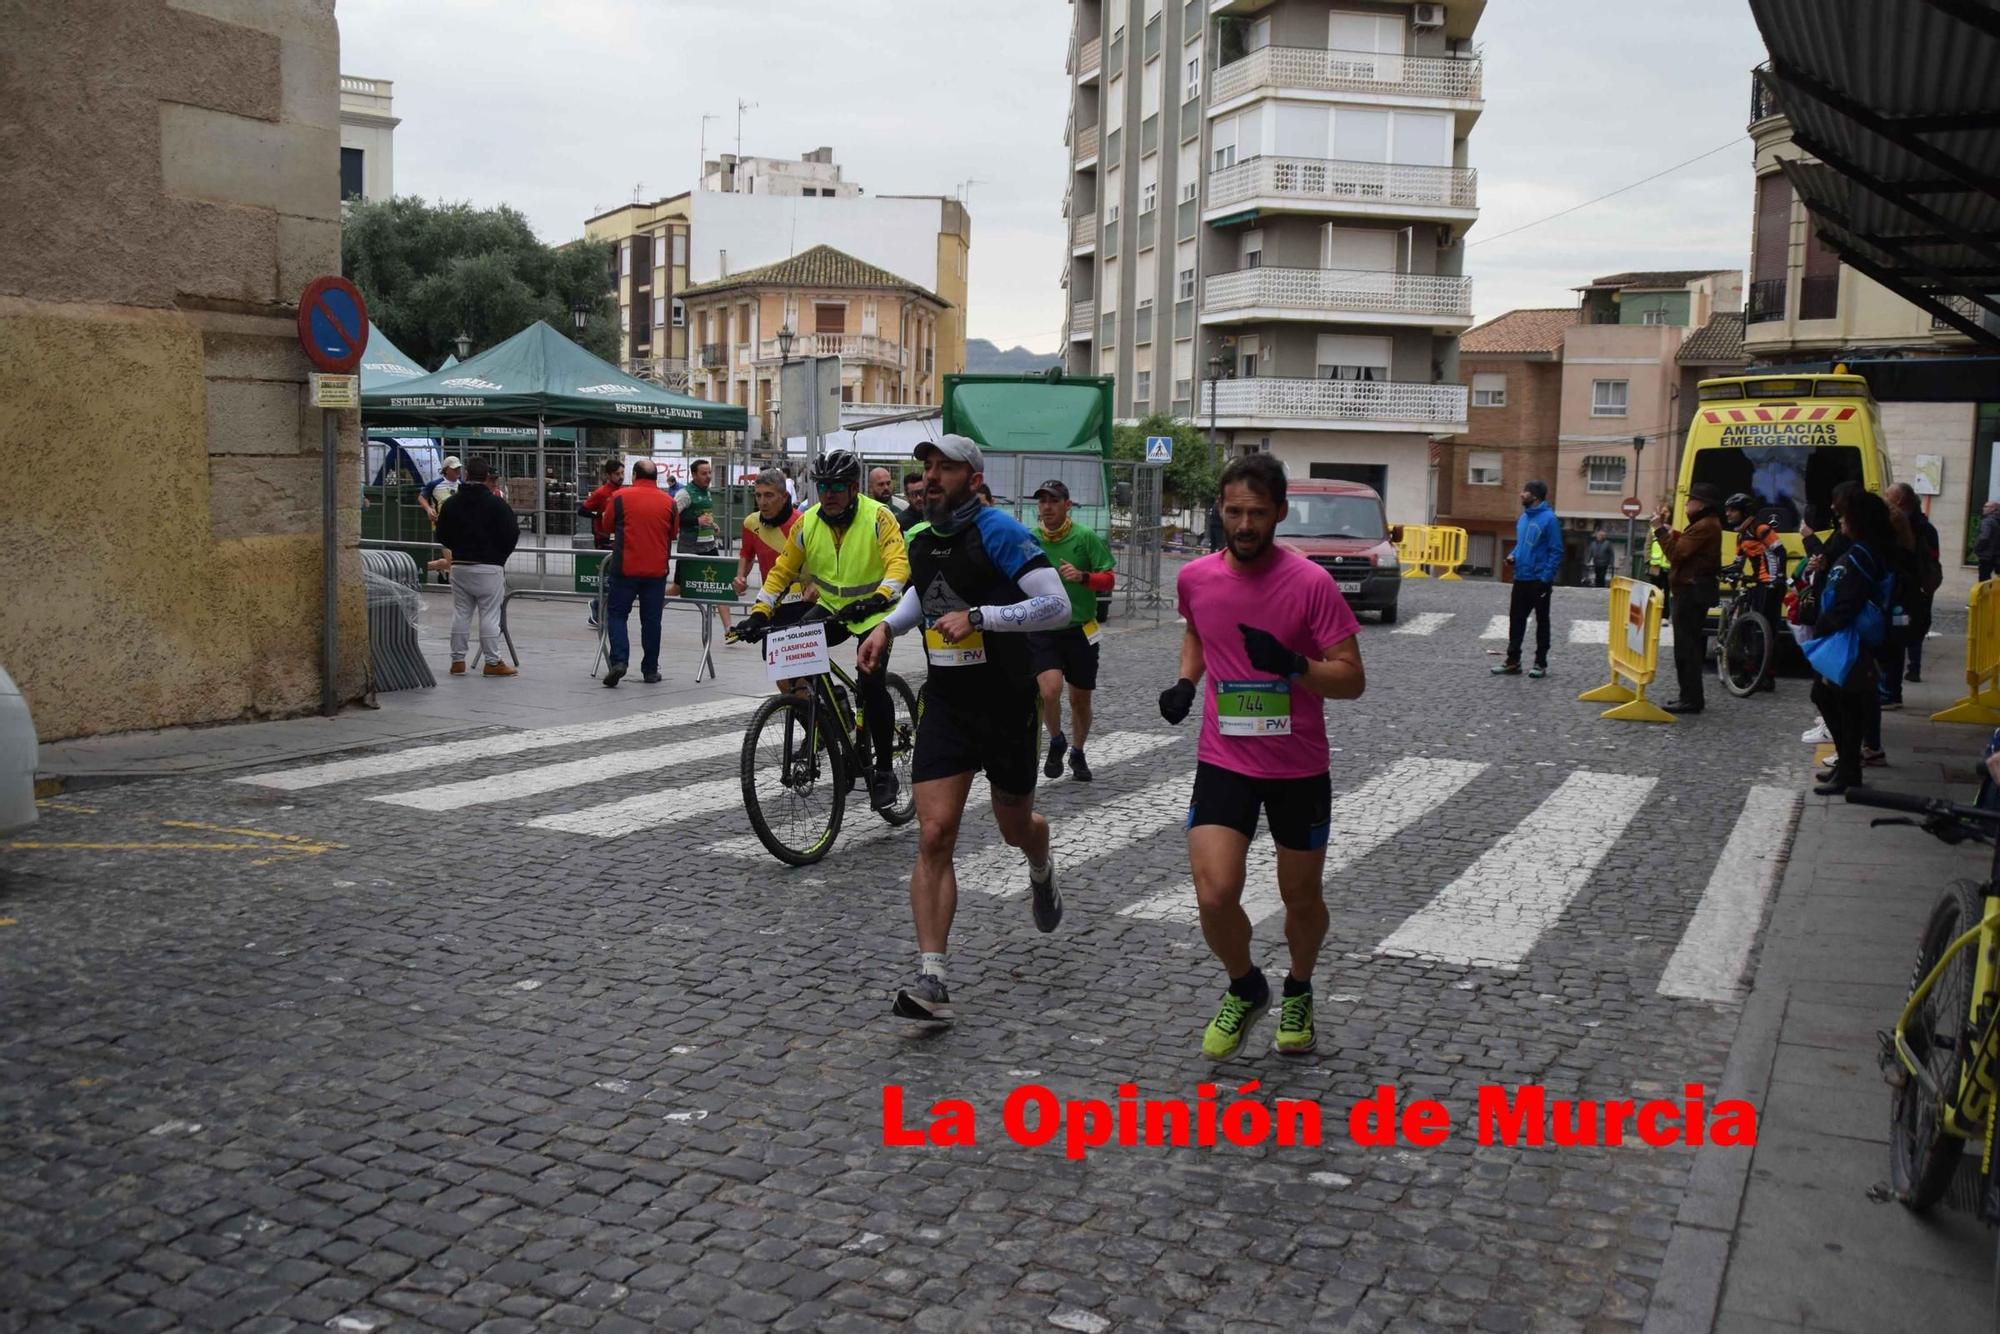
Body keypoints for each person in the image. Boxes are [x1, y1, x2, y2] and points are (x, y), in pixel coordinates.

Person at [857, 434, 1074, 1024]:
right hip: (947, 707)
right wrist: (886, 628)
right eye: (926, 466)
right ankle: (933, 976)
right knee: (934, 835)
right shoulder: (921, 538)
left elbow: (1057, 606)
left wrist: (982, 617)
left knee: (1014, 828)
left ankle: (1041, 862)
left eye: (945, 468)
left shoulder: (1000, 533)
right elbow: (918, 598)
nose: (930, 477)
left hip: (1006, 707)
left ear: (973, 480)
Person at [1158, 454, 1365, 1060]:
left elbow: (1352, 679)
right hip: (1225, 759)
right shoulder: (1195, 577)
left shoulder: (1310, 584)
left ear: (1279, 514)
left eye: (1256, 513)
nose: (1243, 524)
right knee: (1215, 893)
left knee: (1300, 896)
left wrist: (1295, 665)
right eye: (1234, 511)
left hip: (1298, 768)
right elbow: (1199, 628)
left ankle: (1298, 988)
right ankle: (1246, 986)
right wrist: (1187, 683)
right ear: (1219, 510)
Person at [741, 449, 909, 812]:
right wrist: (759, 612)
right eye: (822, 486)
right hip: (832, 607)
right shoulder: (808, 522)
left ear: (852, 487)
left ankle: (883, 772)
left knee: (871, 679)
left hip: (874, 611)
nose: (828, 493)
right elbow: (782, 571)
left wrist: (880, 597)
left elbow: (898, 565)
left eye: (836, 486)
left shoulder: (879, 517)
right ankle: (834, 727)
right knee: (785, 650)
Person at [1803, 490, 1900, 795]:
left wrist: (1824, 628)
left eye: (1845, 514)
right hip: (1846, 637)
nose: (1840, 519)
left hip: (1848, 640)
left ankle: (1849, 770)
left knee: (1842, 702)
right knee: (1831, 697)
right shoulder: (1864, 549)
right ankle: (1846, 767)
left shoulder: (1863, 554)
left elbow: (1849, 599)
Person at [1027, 479, 1116, 783]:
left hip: (1080, 629)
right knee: (1049, 691)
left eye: (1053, 501)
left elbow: (1109, 579)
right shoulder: (1030, 539)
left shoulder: (1085, 537)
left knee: (1080, 699)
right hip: (1043, 628)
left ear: (1067, 505)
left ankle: (1077, 751)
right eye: (1042, 501)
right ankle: (1056, 740)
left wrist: (1083, 577)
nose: (1046, 507)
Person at [432, 459, 519, 677]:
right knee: (489, 614)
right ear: (487, 476)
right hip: (490, 565)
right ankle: (492, 661)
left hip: (460, 564)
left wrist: (457, 549)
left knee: (461, 612)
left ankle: (457, 660)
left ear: (467, 474)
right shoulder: (498, 505)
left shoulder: (452, 503)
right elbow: (512, 534)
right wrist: (500, 556)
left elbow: (441, 534)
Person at [602, 460, 679, 687]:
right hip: (656, 571)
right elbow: (673, 533)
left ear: (634, 474)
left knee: (616, 614)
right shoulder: (669, 502)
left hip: (625, 568)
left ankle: (619, 662)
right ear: (657, 477)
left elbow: (606, 526)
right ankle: (650, 670)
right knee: (652, 621)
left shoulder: (619, 497)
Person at [1651, 482, 1724, 714]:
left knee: (1687, 648)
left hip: (1691, 592)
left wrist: (1660, 530)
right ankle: (1687, 695)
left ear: (1701, 504)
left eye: (1690, 501)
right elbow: (1686, 548)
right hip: (1690, 589)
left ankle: (1691, 699)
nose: (1686, 504)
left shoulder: (1704, 526)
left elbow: (1676, 554)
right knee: (1686, 647)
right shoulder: (1705, 524)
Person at [1493, 480, 1562, 678]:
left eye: (1526, 492)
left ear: (1536, 497)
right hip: (1521, 577)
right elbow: (1522, 545)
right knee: (1516, 621)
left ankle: (1540, 663)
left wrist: (1546, 578)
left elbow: (1556, 551)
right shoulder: (1523, 518)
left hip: (1539, 580)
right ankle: (1513, 661)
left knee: (1542, 621)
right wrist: (1513, 555)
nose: (1521, 494)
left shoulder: (1549, 519)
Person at [1722, 492, 1784, 694]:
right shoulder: (1741, 535)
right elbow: (1738, 564)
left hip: (1771, 584)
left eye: (1732, 510)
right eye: (1727, 510)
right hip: (1758, 582)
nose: (1728, 514)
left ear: (1744, 512)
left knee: (1766, 631)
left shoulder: (1761, 528)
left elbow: (1780, 552)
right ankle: (1748, 670)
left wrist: (1780, 577)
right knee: (1749, 630)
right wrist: (1723, 571)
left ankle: (1767, 675)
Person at [1887, 483, 1940, 687]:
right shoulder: (1926, 526)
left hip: (1907, 587)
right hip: (1918, 586)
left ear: (1899, 500)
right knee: (1911, 626)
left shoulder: (1906, 526)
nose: (1884, 497)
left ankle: (1895, 685)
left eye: (1888, 495)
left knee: (1900, 630)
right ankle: (1913, 669)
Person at [675, 458, 731, 634]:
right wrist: (695, 521)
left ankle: (729, 630)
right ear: (693, 474)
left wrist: (711, 525)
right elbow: (671, 517)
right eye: (703, 473)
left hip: (708, 546)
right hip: (690, 548)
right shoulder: (685, 494)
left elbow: (704, 515)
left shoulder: (706, 492)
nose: (708, 477)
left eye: (709, 473)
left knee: (720, 584)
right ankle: (654, 608)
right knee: (677, 588)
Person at [578, 457, 624, 628]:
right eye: (617, 474)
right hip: (603, 538)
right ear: (609, 475)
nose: (620, 477)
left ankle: (600, 607)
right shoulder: (601, 492)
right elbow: (582, 510)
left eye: (622, 473)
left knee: (615, 577)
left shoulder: (623, 492)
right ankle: (598, 607)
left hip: (618, 538)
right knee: (607, 576)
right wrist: (599, 515)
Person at [419, 455, 462, 525]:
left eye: (459, 468)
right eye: (454, 468)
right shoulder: (434, 484)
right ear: (446, 470)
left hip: (460, 525)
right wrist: (428, 509)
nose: (457, 471)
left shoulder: (463, 485)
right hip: (440, 525)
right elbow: (421, 497)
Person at [1978, 501, 2000, 582]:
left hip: (1986, 556)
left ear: (1993, 509)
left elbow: (1984, 537)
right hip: (1997, 556)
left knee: (1983, 580)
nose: (1983, 508)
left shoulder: (1987, 521)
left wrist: (1978, 549)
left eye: (1986, 506)